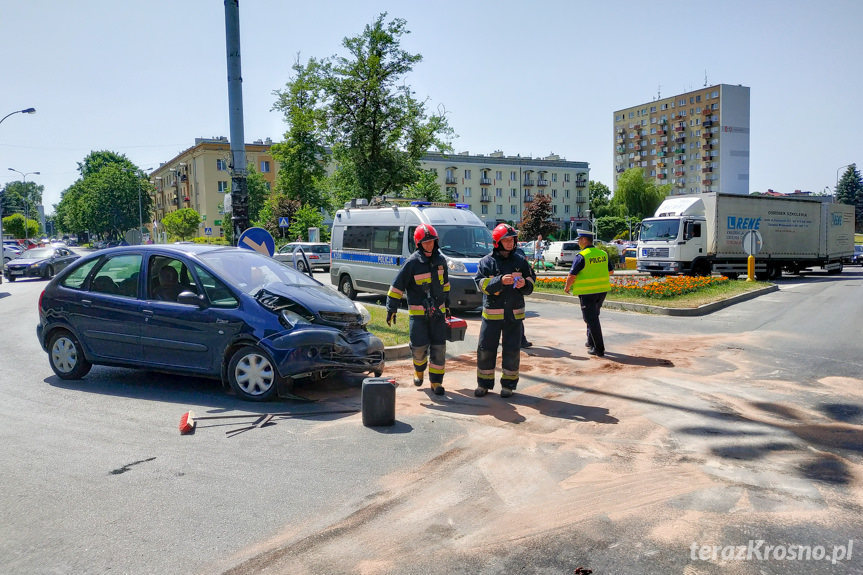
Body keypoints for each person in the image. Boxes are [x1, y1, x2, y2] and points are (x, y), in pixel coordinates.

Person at [385, 224, 450, 396]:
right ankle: (419, 371)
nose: (429, 245)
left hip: (438, 315)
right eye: (425, 242)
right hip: (419, 316)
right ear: (419, 244)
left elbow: (446, 285)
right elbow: (397, 287)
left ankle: (436, 382)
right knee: (419, 348)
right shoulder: (412, 263)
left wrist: (448, 305)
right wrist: (391, 308)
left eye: (432, 241)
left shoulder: (441, 261)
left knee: (439, 349)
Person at [474, 224, 535, 398]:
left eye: (512, 239)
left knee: (512, 350)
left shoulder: (520, 261)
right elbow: (480, 284)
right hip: (492, 315)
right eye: (506, 240)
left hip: (514, 315)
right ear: (497, 242)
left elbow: (531, 280)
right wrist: (500, 281)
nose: (509, 243)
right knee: (485, 349)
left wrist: (526, 284)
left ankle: (508, 385)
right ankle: (483, 384)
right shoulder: (486, 262)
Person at [564, 229, 614, 357]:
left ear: (585, 240)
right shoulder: (603, 253)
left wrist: (567, 287)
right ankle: (590, 341)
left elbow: (572, 275)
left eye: (579, 239)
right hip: (602, 290)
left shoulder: (582, 255)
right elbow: (610, 272)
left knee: (591, 319)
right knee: (594, 316)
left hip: (587, 292)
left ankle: (599, 349)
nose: (578, 242)